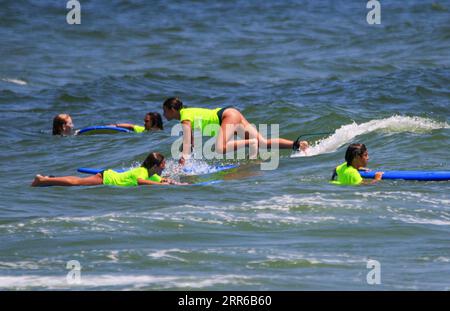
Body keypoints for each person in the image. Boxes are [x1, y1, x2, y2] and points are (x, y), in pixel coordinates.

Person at [162, 97, 309, 164]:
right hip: (231, 112)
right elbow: (190, 142)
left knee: (219, 148)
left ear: (172, 109)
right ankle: (298, 145)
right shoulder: (188, 113)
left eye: (165, 111)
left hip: (226, 116)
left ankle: (250, 142)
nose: (163, 115)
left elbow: (187, 143)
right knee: (263, 143)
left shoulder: (185, 118)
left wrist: (184, 159)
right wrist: (185, 156)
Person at [31, 152, 185, 187]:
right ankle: (43, 179)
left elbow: (164, 180)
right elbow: (140, 181)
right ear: (155, 166)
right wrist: (161, 185)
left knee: (76, 183)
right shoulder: (143, 172)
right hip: (106, 178)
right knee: (77, 183)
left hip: (108, 178)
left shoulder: (152, 175)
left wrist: (177, 184)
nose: (165, 167)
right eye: (163, 164)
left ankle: (47, 181)